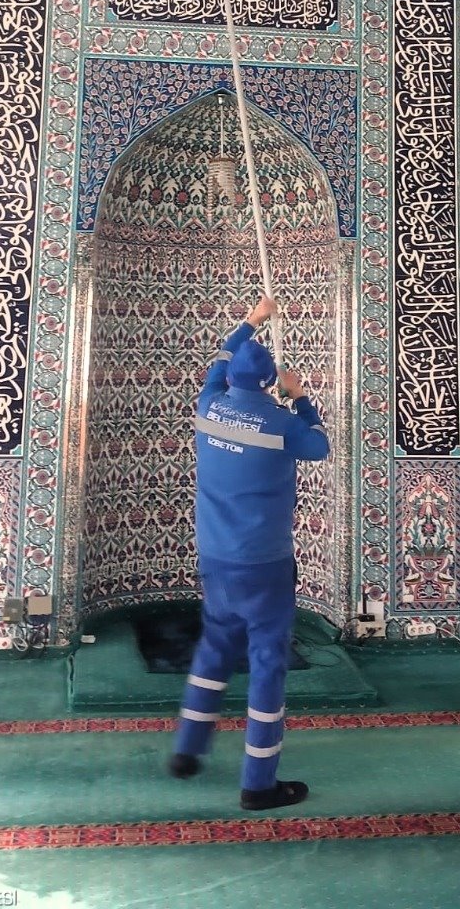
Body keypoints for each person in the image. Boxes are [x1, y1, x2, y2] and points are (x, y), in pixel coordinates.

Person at [169, 294, 330, 810]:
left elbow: (220, 360)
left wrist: (251, 321)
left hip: (215, 558)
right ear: (267, 382)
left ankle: (187, 750)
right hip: (264, 565)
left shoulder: (208, 405)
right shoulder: (281, 425)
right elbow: (320, 445)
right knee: (266, 667)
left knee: (214, 649)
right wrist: (299, 397)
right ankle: (258, 784)